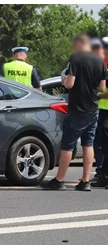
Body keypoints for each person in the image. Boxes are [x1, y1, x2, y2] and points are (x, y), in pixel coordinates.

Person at [42, 34, 108, 191]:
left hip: (77, 107)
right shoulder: (100, 61)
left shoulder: (76, 59)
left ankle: (59, 180)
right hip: (93, 108)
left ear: (79, 44)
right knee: (89, 144)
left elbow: (70, 84)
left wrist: (64, 80)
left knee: (68, 145)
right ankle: (85, 181)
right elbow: (101, 87)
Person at [91, 38, 108, 188]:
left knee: (105, 144)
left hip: (106, 111)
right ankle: (102, 175)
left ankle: (105, 176)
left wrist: (97, 95)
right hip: (102, 110)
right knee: (100, 143)